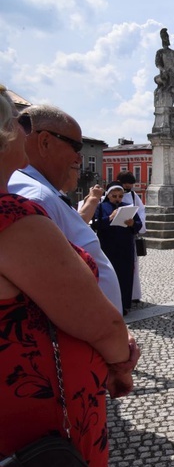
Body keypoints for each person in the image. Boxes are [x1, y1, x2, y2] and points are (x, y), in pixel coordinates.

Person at [0, 85, 139, 467]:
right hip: (39, 424)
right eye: (14, 125)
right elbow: (97, 321)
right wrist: (119, 360)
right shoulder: (11, 216)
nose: (21, 133)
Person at [9, 104, 123, 314]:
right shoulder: (36, 198)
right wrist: (111, 335)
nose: (79, 159)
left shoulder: (42, 192)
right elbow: (52, 293)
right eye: (76, 148)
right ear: (45, 142)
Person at [93, 182, 143, 314]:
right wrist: (110, 217)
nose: (117, 199)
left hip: (125, 247)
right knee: (110, 276)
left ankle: (124, 304)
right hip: (108, 247)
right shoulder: (101, 207)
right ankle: (109, 304)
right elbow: (95, 225)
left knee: (125, 276)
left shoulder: (128, 207)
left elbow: (138, 225)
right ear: (108, 195)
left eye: (120, 196)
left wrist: (133, 223)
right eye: (114, 196)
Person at [117, 171, 147, 303]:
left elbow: (141, 211)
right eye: (126, 185)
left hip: (130, 232)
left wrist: (138, 225)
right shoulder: (113, 194)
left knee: (133, 265)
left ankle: (133, 294)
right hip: (116, 234)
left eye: (130, 185)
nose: (128, 188)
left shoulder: (134, 196)